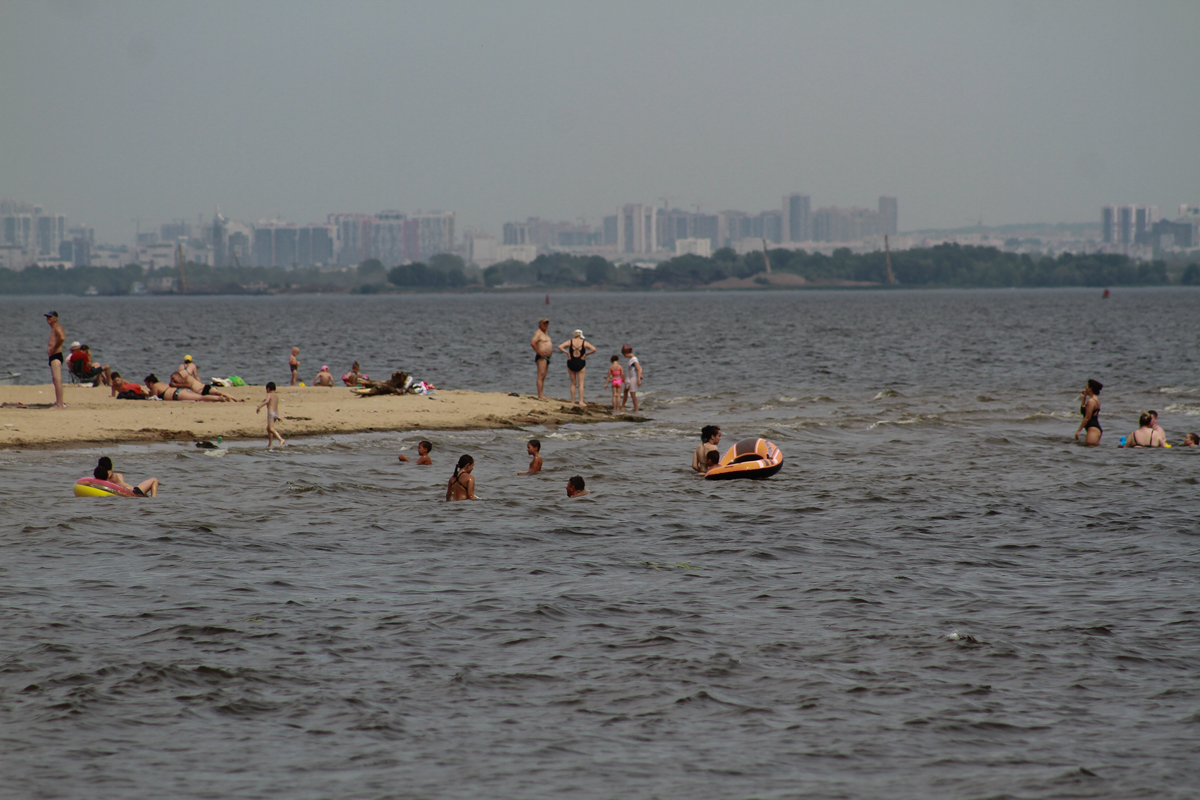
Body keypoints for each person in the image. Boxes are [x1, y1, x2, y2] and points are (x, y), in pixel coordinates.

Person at [557, 329, 597, 406]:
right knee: (581, 384)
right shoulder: (584, 342)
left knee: (573, 383)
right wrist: (586, 354)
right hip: (580, 362)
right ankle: (581, 401)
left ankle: (572, 401)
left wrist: (567, 353)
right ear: (580, 335)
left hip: (571, 361)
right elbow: (594, 349)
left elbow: (560, 346)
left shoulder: (570, 342)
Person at [169, 361, 240, 401]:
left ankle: (235, 399)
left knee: (218, 392)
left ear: (178, 376)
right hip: (201, 392)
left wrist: (175, 385)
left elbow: (189, 385)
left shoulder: (187, 378)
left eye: (173, 378)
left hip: (204, 388)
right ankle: (227, 399)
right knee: (215, 396)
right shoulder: (181, 384)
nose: (173, 380)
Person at [145, 374, 225, 402]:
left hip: (177, 394)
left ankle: (219, 398)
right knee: (198, 399)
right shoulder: (161, 384)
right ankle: (217, 399)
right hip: (178, 392)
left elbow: (154, 397)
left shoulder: (155, 386)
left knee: (200, 397)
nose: (147, 387)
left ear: (151, 383)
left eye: (147, 385)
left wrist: (145, 394)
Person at [45, 311, 66, 408]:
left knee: (57, 380)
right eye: (47, 317)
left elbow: (62, 338)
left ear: (56, 318)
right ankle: (59, 402)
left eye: (50, 317)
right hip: (53, 356)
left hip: (56, 355)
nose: (48, 319)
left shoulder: (57, 327)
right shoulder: (53, 328)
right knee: (55, 380)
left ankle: (60, 404)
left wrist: (54, 348)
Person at [255, 382, 286, 448]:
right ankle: (270, 444)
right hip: (275, 413)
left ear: (268, 389)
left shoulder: (269, 394)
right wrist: (278, 416)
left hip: (271, 413)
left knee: (271, 428)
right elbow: (276, 406)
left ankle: (281, 439)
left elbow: (267, 401)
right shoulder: (276, 396)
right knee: (268, 428)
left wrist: (259, 406)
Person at [1074, 379, 1103, 446]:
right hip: (1094, 429)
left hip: (1093, 429)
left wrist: (1078, 431)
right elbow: (1084, 410)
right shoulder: (1094, 399)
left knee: (1090, 449)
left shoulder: (1091, 401)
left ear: (1090, 388)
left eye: (1086, 386)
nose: (1085, 388)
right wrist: (1084, 397)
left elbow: (1087, 417)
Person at [530, 317, 553, 400]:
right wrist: (539, 352)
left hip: (547, 357)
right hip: (541, 357)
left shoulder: (545, 333)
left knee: (544, 376)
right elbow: (533, 343)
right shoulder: (538, 333)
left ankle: (542, 393)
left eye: (547, 323)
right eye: (544, 323)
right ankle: (540, 395)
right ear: (540, 324)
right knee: (541, 375)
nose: (545, 325)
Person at [620, 344, 643, 413]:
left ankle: (636, 409)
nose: (624, 356)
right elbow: (640, 368)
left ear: (626, 353)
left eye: (624, 355)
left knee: (633, 394)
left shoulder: (634, 359)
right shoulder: (631, 359)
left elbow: (638, 368)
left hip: (633, 378)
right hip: (629, 377)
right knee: (625, 391)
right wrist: (640, 374)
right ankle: (622, 406)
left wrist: (638, 379)